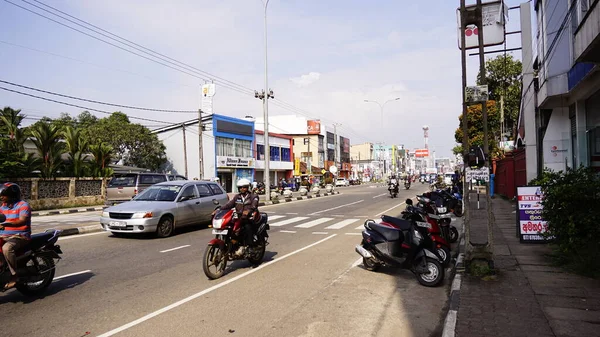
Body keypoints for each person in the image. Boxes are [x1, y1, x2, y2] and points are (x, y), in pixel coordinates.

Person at [213, 178, 259, 256]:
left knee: (248, 228)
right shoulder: (237, 197)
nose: (242, 189)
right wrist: (219, 209)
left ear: (248, 187)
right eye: (240, 187)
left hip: (250, 218)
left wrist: (249, 211)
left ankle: (251, 247)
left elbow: (254, 205)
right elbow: (229, 205)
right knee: (231, 228)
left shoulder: (253, 196)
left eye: (244, 187)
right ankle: (233, 244)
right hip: (239, 218)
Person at [0, 182, 32, 290]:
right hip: (4, 236)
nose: (1, 197)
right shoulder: (3, 206)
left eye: (3, 195)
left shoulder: (23, 205)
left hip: (20, 236)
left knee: (6, 248)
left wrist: (6, 224)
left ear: (11, 195)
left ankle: (14, 275)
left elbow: (22, 220)